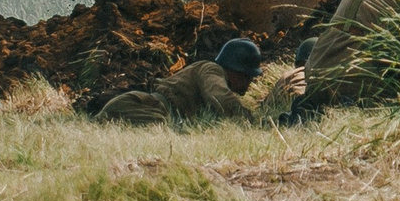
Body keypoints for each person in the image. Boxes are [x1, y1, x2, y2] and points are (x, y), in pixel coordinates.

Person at [96, 39, 300, 125]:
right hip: (141, 107)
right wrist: (251, 123)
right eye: (246, 76)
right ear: (234, 70)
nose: (248, 85)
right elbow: (221, 98)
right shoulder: (211, 70)